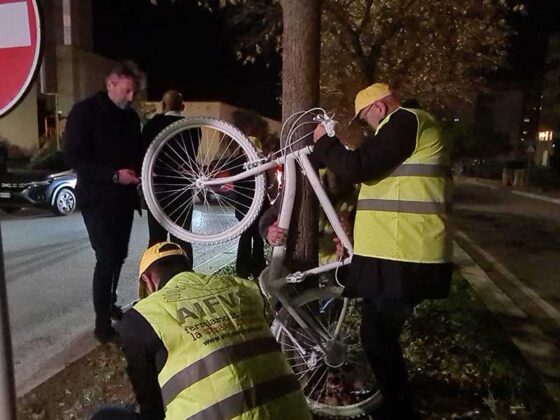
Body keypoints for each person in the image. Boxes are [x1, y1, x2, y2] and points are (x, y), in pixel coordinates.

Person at [311, 83, 453, 419]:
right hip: (394, 253)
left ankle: (399, 410)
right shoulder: (401, 129)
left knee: (377, 338)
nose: (367, 127)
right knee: (376, 336)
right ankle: (395, 406)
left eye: (365, 119)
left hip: (408, 254)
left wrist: (324, 143)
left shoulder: (407, 121)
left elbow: (359, 166)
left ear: (378, 107)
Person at [91, 242, 312, 420]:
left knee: (105, 416)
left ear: (148, 280)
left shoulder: (143, 316)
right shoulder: (242, 288)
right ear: (188, 268)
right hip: (295, 413)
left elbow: (151, 404)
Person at [65, 61, 145, 343]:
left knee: (119, 255)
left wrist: (140, 173)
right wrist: (113, 176)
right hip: (97, 198)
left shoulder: (130, 118)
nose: (130, 97)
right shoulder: (84, 113)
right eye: (126, 91)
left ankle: (110, 304)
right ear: (110, 85)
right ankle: (101, 325)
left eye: (133, 92)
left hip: (123, 199)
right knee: (106, 257)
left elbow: (137, 152)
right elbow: (74, 158)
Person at [141, 90, 199, 269]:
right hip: (182, 188)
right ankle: (186, 278)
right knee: (182, 237)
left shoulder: (152, 125)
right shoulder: (191, 126)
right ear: (183, 107)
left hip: (157, 188)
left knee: (156, 239)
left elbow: (143, 154)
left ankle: (156, 284)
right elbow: (192, 154)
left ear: (162, 105)